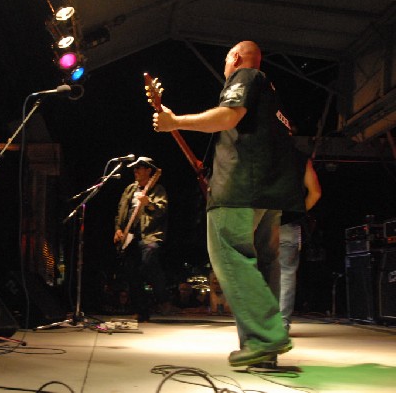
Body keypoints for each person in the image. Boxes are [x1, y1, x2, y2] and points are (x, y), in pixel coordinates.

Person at [153, 41, 304, 366]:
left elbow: (227, 116)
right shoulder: (273, 98)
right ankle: (262, 353)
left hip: (240, 190)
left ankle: (267, 336)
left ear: (234, 58)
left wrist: (175, 121)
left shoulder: (246, 75)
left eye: (225, 62)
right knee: (265, 266)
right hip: (271, 196)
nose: (225, 68)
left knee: (228, 254)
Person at [113, 156, 173, 321]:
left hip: (150, 235)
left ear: (149, 171)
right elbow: (120, 211)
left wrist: (148, 204)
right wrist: (118, 229)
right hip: (130, 236)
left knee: (148, 262)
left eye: (140, 168)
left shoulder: (158, 189)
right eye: (135, 168)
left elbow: (162, 211)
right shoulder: (129, 190)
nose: (136, 171)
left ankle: (163, 298)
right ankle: (142, 311)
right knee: (132, 274)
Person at [270, 158, 322, 331]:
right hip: (289, 224)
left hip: (264, 222)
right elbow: (315, 193)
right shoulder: (300, 159)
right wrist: (298, 212)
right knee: (286, 274)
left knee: (262, 272)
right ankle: (282, 325)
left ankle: (261, 324)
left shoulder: (262, 151)